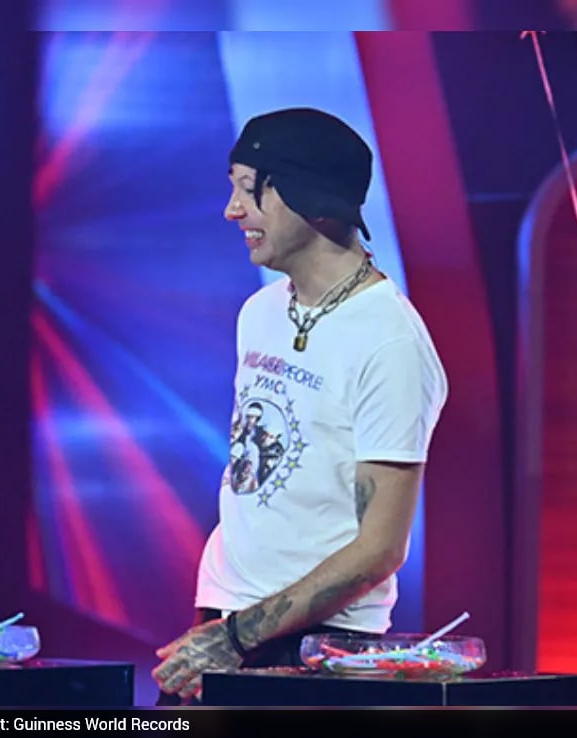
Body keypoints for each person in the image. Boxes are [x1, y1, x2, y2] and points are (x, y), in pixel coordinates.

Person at [152, 107, 448, 703]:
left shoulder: (389, 341)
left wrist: (237, 638)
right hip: (221, 619)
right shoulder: (259, 313)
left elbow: (380, 548)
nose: (232, 211)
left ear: (307, 196)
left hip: (318, 648)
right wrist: (224, 630)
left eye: (247, 190)